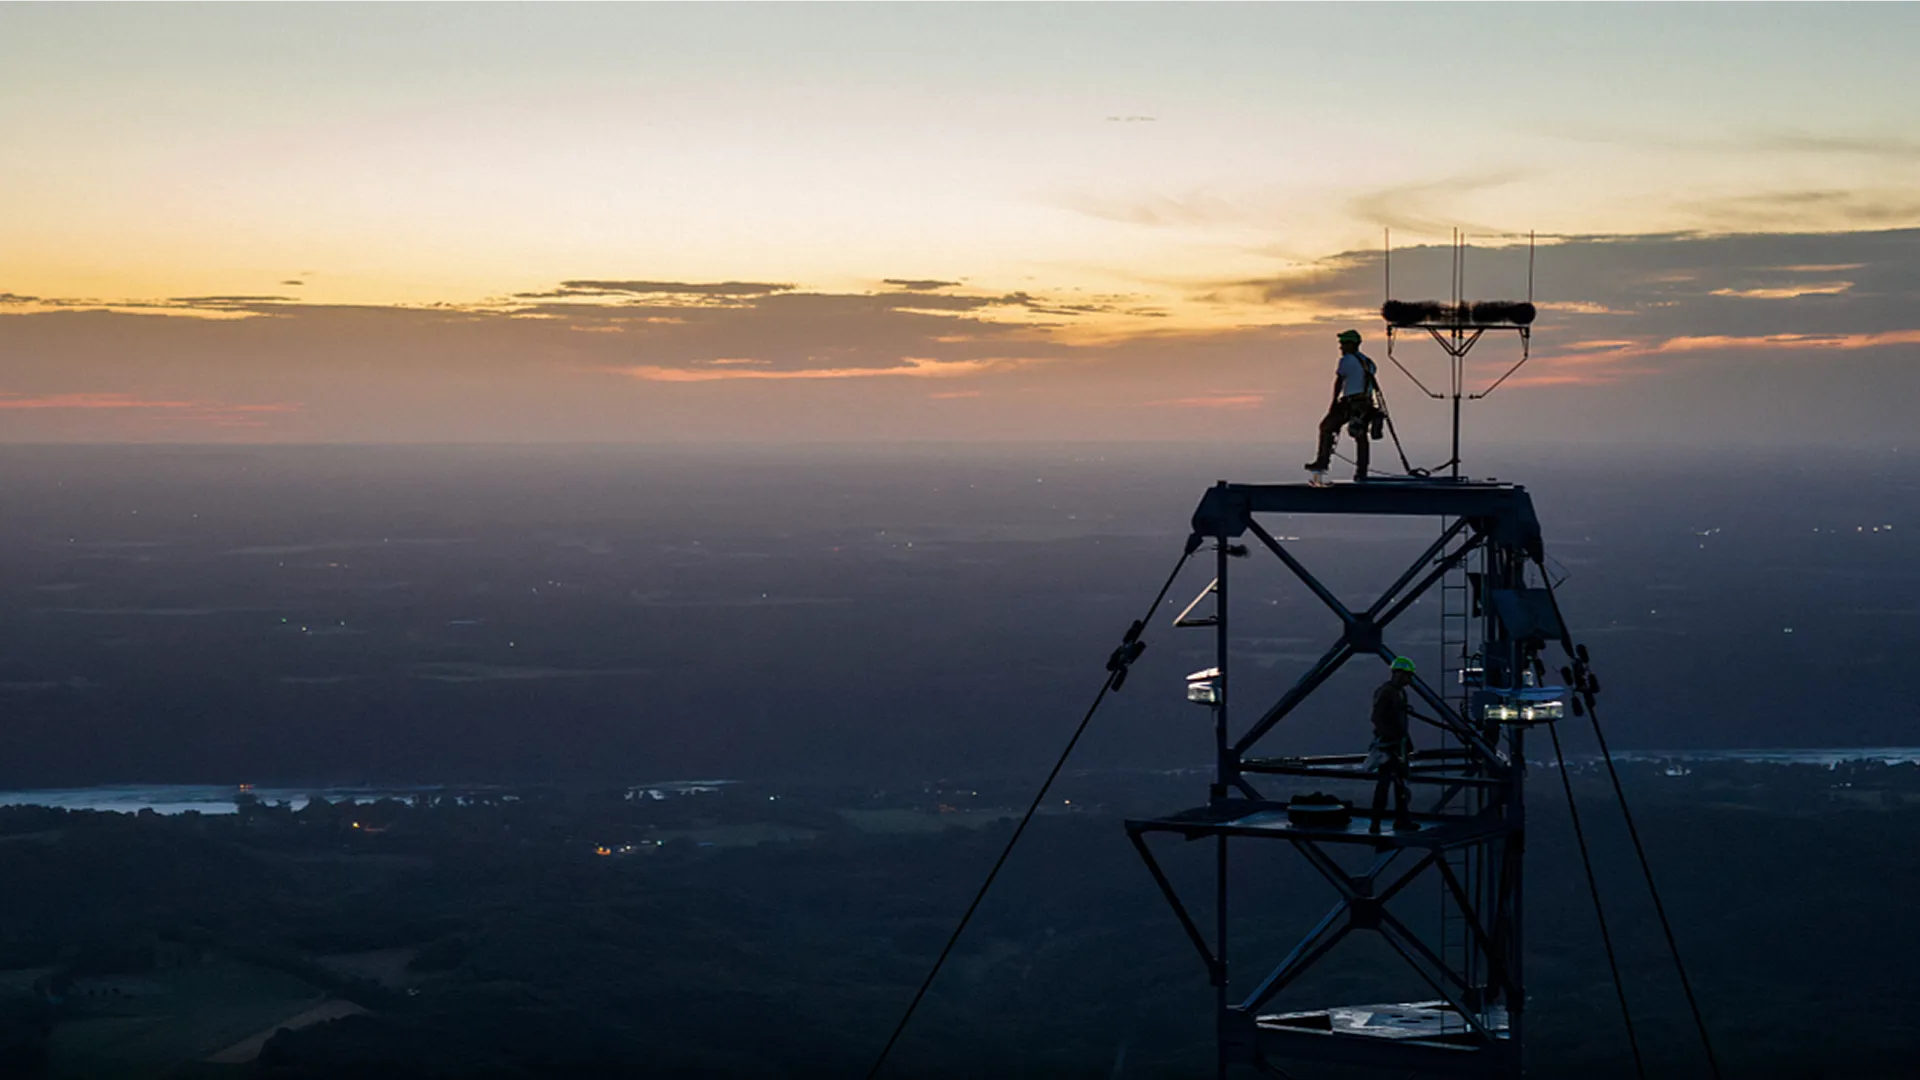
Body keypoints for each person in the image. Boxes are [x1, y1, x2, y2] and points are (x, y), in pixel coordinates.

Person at [1305, 329, 1380, 482]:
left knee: (1326, 427)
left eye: (1343, 344)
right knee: (1361, 437)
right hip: (1365, 403)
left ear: (1351, 344)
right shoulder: (1369, 362)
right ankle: (1362, 471)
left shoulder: (1347, 360)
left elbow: (1339, 381)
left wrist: (1333, 402)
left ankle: (1322, 462)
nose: (1341, 347)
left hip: (1351, 402)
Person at [1367, 655, 1420, 834]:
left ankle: (1401, 819)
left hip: (1398, 744)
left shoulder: (1399, 693)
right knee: (1384, 784)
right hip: (1390, 746)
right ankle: (1376, 822)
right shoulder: (1387, 692)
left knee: (1400, 785)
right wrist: (1390, 738)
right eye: (1408, 676)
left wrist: (1406, 741)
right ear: (1399, 674)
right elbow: (1377, 718)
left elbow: (1399, 719)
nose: (1409, 680)